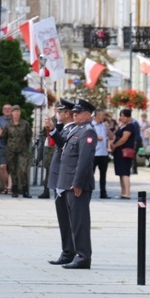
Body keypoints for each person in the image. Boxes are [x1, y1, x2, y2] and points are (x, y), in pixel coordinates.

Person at [56, 98, 97, 269]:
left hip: (77, 184)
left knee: (80, 222)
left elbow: (84, 160)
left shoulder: (88, 132)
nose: (75, 114)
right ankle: (74, 253)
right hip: (67, 183)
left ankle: (83, 257)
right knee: (71, 221)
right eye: (74, 112)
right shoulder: (77, 130)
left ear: (88, 115)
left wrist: (78, 183)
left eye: (79, 112)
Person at [45, 99, 77, 266]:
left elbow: (62, 145)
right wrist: (53, 128)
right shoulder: (65, 128)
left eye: (60, 111)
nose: (57, 113)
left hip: (65, 179)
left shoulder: (72, 130)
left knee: (67, 218)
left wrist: (52, 129)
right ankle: (67, 250)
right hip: (60, 177)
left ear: (67, 114)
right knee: (63, 218)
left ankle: (69, 251)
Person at [1, 105, 33, 198]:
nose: (16, 113)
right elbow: (4, 137)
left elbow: (28, 136)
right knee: (12, 170)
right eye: (14, 111)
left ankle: (25, 191)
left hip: (22, 151)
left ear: (20, 113)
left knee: (23, 170)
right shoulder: (8, 125)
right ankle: (14, 190)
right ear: (11, 113)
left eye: (17, 111)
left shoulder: (25, 124)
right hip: (11, 151)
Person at [109, 108, 137, 199]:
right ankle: (123, 192)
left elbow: (124, 139)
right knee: (120, 173)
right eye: (121, 116)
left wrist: (115, 145)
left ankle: (127, 192)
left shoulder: (130, 126)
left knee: (125, 173)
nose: (122, 118)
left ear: (129, 117)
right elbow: (115, 136)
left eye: (124, 116)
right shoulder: (121, 126)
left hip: (124, 152)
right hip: (118, 152)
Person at [92, 109, 114, 199]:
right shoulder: (91, 125)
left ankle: (103, 193)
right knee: (90, 174)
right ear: (96, 116)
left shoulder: (104, 125)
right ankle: (87, 191)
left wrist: (108, 130)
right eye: (101, 115)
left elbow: (112, 137)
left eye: (103, 115)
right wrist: (96, 137)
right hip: (94, 153)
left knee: (103, 175)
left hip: (103, 154)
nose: (103, 117)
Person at [0, 103, 12, 194]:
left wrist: (3, 131)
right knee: (2, 166)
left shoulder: (15, 120)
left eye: (9, 108)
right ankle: (5, 186)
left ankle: (9, 188)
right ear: (2, 110)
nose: (7, 110)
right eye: (5, 108)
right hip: (2, 146)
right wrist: (11, 132)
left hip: (13, 147)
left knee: (12, 167)